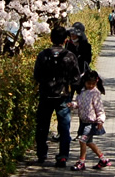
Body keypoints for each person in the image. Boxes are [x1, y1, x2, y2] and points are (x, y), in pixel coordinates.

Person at [33, 26, 81, 167]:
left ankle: (41, 154)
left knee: (42, 126)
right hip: (63, 96)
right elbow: (76, 78)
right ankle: (63, 156)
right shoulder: (70, 56)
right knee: (64, 127)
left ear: (51, 39)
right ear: (65, 40)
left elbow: (37, 75)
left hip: (46, 95)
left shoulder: (43, 55)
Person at [67, 71, 111, 171]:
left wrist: (100, 120)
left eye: (93, 84)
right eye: (89, 83)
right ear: (84, 82)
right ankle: (103, 159)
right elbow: (78, 103)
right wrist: (73, 105)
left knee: (82, 140)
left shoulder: (95, 93)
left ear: (96, 82)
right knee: (89, 142)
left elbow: (99, 108)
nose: (91, 86)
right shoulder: (82, 91)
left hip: (92, 123)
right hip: (83, 121)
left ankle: (81, 162)